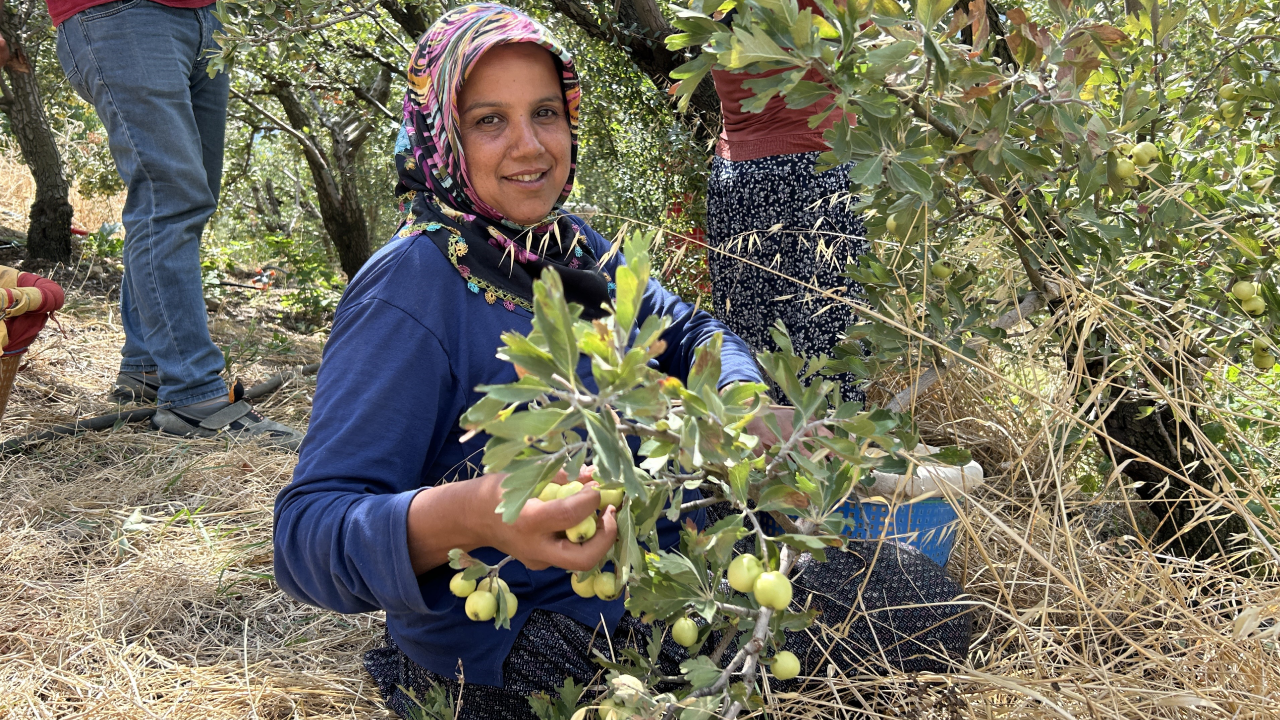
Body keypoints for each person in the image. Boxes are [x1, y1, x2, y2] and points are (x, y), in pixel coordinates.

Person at [272, 5, 971, 719]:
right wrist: (473, 516)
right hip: (514, 650)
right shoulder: (411, 287)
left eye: (545, 113)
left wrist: (738, 395)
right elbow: (306, 535)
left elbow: (693, 329)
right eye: (489, 121)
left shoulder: (568, 253)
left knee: (930, 603)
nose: (529, 147)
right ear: (441, 135)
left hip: (653, 589)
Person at [50, 0, 301, 447]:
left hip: (209, 18)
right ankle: (195, 397)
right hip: (118, 14)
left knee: (190, 198)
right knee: (170, 198)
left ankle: (147, 365)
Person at [707, 0, 869, 405]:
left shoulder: (714, 7)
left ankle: (764, 462)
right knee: (830, 353)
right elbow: (869, 45)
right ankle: (831, 457)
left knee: (751, 350)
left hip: (737, 181)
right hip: (815, 171)